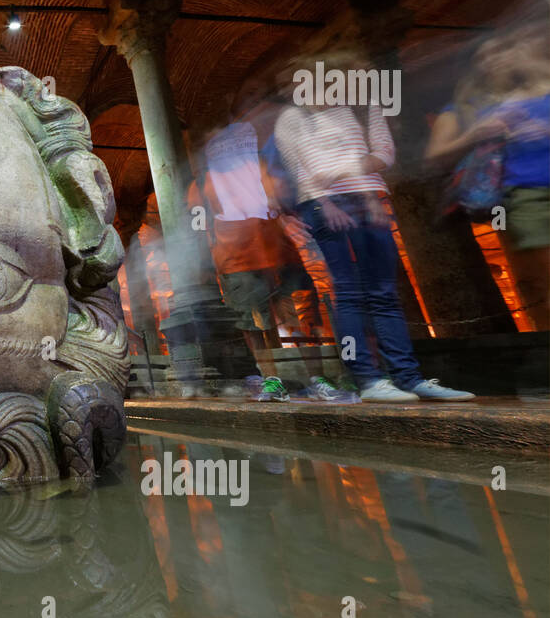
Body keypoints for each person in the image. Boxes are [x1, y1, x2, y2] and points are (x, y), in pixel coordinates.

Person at [274, 48, 475, 403]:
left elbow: (382, 156)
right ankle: (367, 379)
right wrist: (327, 202)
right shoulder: (292, 118)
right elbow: (302, 169)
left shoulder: (362, 110)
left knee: (385, 292)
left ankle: (408, 377)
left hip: (368, 201)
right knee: (349, 292)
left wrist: (360, 190)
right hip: (324, 206)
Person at [191, 87, 342, 401]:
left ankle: (317, 379)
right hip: (237, 260)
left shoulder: (260, 159)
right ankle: (272, 380)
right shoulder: (201, 185)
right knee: (256, 324)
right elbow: (196, 223)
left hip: (278, 251)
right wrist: (203, 260)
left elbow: (282, 189)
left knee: (301, 314)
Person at [425, 28, 550, 330]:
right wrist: (474, 134)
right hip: (521, 195)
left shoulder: (541, 87)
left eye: (502, 50)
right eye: (484, 57)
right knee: (540, 276)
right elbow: (435, 156)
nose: (494, 60)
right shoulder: (465, 109)